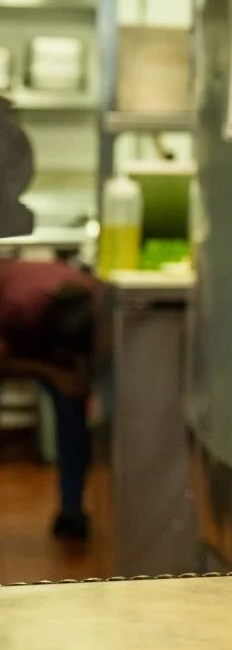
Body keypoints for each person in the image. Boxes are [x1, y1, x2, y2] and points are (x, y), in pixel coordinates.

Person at [0, 97, 100, 541]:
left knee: (71, 402)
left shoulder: (83, 295)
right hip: (18, 327)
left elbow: (85, 355)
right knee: (65, 389)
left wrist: (73, 376)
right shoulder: (19, 299)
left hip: (53, 329)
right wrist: (50, 372)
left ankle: (73, 508)